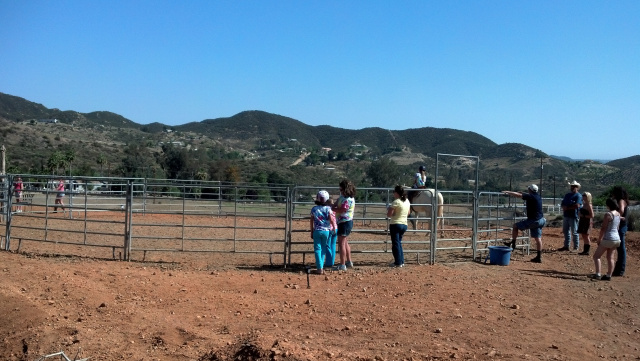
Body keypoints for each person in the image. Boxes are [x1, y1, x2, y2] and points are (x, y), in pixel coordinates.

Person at [502, 184, 546, 262]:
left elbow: (519, 195)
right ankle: (539, 257)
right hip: (541, 219)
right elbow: (525, 194)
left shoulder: (531, 197)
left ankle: (513, 243)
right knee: (538, 238)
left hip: (534, 220)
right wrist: (522, 192)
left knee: (515, 226)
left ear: (530, 190)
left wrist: (508, 192)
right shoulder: (537, 196)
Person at [591, 198, 621, 281]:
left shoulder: (608, 214)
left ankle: (598, 274)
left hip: (608, 238)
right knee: (610, 258)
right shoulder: (618, 214)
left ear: (608, 205)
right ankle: (609, 275)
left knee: (596, 256)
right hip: (616, 238)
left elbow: (603, 228)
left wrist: (599, 239)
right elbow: (617, 227)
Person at [309, 190, 337, 275]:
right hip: (326, 231)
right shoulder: (328, 209)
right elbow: (331, 219)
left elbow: (311, 220)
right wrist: (334, 228)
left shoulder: (314, 209)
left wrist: (311, 231)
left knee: (317, 249)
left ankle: (319, 267)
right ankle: (321, 267)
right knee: (323, 249)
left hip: (317, 230)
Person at [332, 179, 356, 271]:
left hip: (344, 222)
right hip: (344, 222)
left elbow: (342, 210)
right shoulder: (343, 197)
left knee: (341, 243)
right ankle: (348, 261)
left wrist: (332, 209)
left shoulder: (347, 200)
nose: (340, 191)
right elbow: (337, 203)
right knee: (345, 242)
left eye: (341, 190)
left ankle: (342, 264)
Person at [387, 185, 411, 267]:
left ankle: (398, 262)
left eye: (394, 192)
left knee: (395, 244)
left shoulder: (396, 202)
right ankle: (401, 261)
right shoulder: (407, 201)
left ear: (397, 193)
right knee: (399, 243)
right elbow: (408, 213)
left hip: (396, 224)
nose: (393, 193)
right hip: (404, 224)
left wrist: (390, 210)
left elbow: (389, 214)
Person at [558, 181, 583, 251]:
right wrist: (564, 207)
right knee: (566, 231)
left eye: (574, 186)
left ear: (577, 188)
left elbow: (577, 205)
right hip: (566, 215)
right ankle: (566, 246)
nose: (572, 187)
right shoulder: (567, 195)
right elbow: (562, 203)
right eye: (572, 186)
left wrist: (567, 208)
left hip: (573, 215)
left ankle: (576, 247)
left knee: (574, 232)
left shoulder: (578, 196)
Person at [610, 186, 629, 277]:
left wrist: (616, 217)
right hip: (622, 226)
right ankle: (619, 269)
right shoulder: (622, 200)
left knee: (621, 249)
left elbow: (621, 210)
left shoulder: (621, 200)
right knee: (620, 248)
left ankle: (620, 270)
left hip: (621, 226)